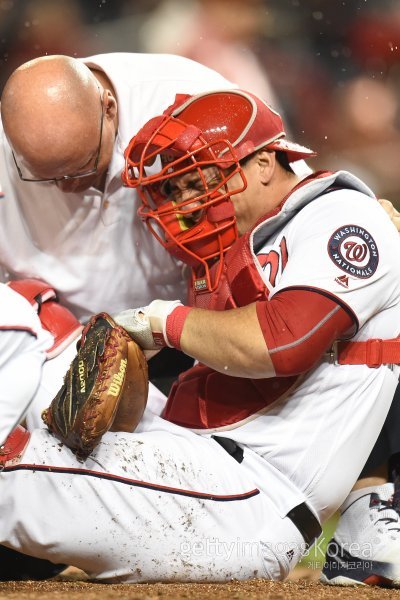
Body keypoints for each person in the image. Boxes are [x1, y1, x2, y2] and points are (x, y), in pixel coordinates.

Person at [0, 89, 399, 585]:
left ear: (264, 163)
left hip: (243, 503)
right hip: (187, 459)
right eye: (178, 188)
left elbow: (282, 343)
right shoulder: (239, 245)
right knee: (29, 312)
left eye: (198, 182)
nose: (185, 204)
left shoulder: (342, 217)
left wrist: (161, 322)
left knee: (11, 466)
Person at [0, 53, 234, 322]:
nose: (67, 186)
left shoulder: (193, 97)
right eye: (47, 177)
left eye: (83, 166)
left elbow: (273, 195)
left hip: (197, 323)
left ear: (108, 109)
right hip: (70, 343)